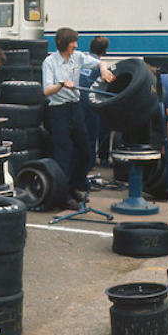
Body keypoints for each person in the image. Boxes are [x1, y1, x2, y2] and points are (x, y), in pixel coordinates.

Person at [42, 27, 114, 209]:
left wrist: (104, 70)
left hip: (75, 108)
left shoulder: (78, 57)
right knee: (64, 155)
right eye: (73, 42)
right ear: (63, 44)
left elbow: (98, 63)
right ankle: (63, 195)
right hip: (58, 111)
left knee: (85, 153)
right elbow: (46, 91)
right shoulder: (49, 62)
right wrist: (60, 85)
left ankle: (73, 187)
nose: (76, 45)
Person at [78, 36, 110, 171]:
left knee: (85, 134)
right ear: (105, 51)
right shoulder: (99, 65)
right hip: (92, 102)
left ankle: (85, 162)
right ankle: (100, 160)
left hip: (80, 100)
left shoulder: (83, 60)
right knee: (99, 130)